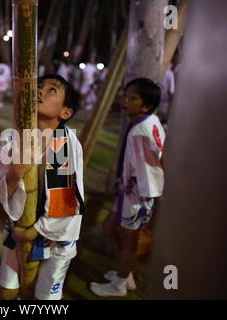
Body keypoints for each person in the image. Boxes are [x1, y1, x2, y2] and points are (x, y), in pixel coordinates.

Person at [0, 74, 85, 300]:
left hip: (55, 235)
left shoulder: (67, 144)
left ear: (65, 112)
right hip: (19, 226)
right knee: (7, 288)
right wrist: (15, 173)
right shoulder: (13, 138)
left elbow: (67, 199)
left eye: (52, 90)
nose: (40, 91)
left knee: (45, 298)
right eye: (38, 87)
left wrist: (35, 231)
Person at [90, 78, 165, 297]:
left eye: (133, 98)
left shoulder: (140, 130)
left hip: (138, 194)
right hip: (132, 191)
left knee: (130, 241)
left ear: (146, 106)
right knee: (109, 228)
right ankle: (125, 273)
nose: (125, 100)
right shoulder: (150, 121)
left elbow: (146, 165)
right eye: (125, 95)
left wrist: (141, 194)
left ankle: (120, 284)